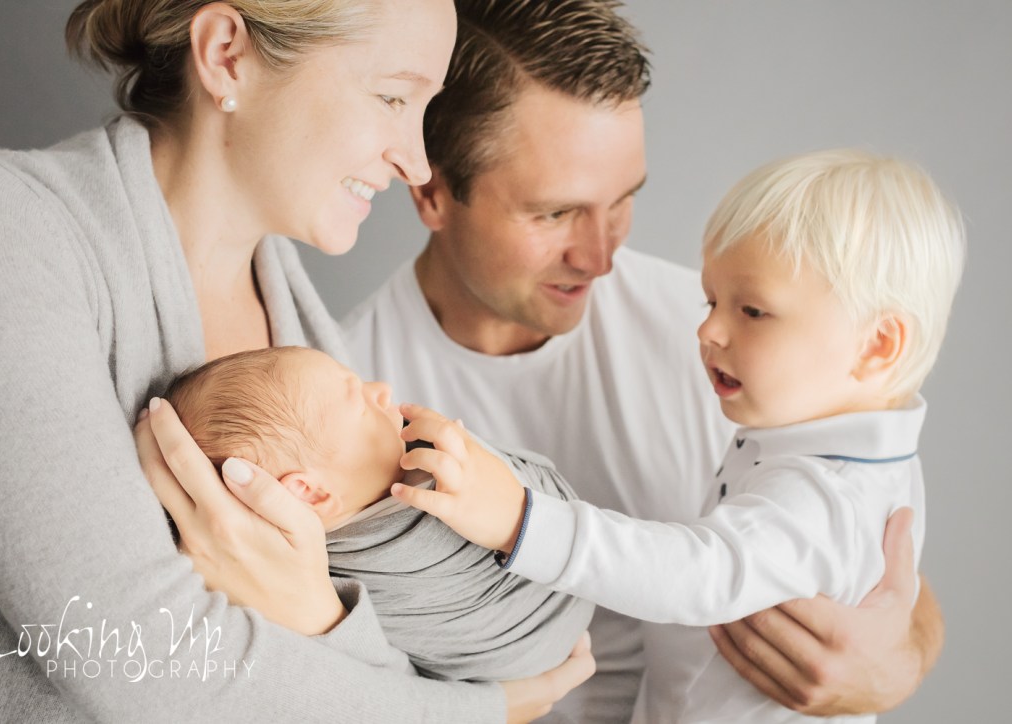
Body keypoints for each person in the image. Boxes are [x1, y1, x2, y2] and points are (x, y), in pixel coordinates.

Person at [0, 0, 592, 721]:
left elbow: (369, 660)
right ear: (227, 54)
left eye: (424, 108)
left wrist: (319, 612)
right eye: (390, 97)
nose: (416, 160)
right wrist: (481, 711)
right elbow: (130, 654)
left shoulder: (302, 328)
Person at [343, 0, 945, 720]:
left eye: (622, 201)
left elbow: (852, 535)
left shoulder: (733, 336)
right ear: (432, 191)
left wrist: (899, 657)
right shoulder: (344, 388)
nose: (600, 256)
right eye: (554, 213)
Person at [165, 345, 594, 682]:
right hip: (515, 648)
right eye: (360, 401)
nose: (382, 390)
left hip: (555, 613)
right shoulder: (318, 581)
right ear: (310, 493)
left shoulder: (419, 468)